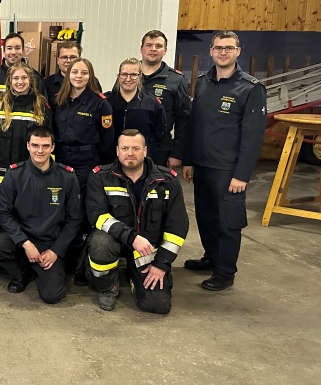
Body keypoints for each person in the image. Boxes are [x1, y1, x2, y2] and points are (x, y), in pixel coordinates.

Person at [182, 31, 267, 291]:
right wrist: (189, 160)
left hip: (228, 170)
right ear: (211, 51)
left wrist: (242, 175)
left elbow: (253, 136)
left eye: (229, 48)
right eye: (218, 48)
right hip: (203, 166)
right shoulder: (203, 82)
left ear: (238, 51)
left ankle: (225, 271)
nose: (223, 52)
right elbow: (194, 126)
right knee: (206, 217)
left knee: (228, 222)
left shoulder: (250, 88)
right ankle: (211, 258)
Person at [85, 129, 189, 313]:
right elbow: (98, 216)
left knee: (157, 305)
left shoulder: (167, 181)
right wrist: (132, 237)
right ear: (117, 151)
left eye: (135, 148)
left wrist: (161, 264)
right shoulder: (100, 176)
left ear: (145, 151)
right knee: (100, 243)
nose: (130, 153)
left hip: (148, 249)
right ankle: (108, 286)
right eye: (125, 148)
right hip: (116, 240)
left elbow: (177, 226)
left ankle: (136, 277)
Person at [0, 127, 82, 304]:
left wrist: (56, 250)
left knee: (52, 295)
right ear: (28, 146)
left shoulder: (67, 176)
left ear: (53, 147)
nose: (40, 151)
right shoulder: (14, 174)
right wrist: (25, 242)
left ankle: (42, 268)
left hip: (50, 242)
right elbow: (2, 212)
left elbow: (74, 219)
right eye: (35, 145)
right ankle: (22, 273)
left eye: (45, 146)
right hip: (22, 238)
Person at [53, 57, 115, 285]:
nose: (79, 76)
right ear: (68, 74)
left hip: (86, 163)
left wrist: (101, 169)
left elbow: (108, 141)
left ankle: (81, 264)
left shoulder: (100, 103)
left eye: (84, 72)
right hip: (60, 161)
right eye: (75, 72)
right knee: (60, 209)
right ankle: (64, 259)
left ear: (91, 76)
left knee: (80, 214)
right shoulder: (58, 100)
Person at [0, 62, 52, 193]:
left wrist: (49, 170)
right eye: (16, 78)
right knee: (3, 212)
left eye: (24, 78)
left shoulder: (42, 107)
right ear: (9, 81)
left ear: (31, 80)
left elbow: (49, 142)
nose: (20, 82)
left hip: (33, 173)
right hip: (2, 174)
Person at [140, 30, 192, 168]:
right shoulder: (129, 74)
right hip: (128, 148)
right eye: (149, 45)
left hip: (159, 149)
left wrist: (177, 153)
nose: (153, 49)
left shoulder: (176, 80)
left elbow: (184, 119)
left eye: (158, 46)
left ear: (165, 51)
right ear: (141, 49)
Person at [105, 57, 168, 159]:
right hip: (109, 161)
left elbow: (161, 137)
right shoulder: (106, 102)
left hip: (142, 163)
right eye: (124, 74)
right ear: (118, 76)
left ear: (140, 77)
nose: (128, 79)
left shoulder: (152, 104)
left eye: (133, 75)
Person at [0, 32, 45, 98]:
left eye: (17, 48)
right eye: (9, 48)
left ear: (23, 51)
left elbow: (43, 105)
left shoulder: (35, 77)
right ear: (4, 52)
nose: (13, 52)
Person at [42, 41, 100, 108]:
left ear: (79, 59)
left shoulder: (92, 81)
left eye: (73, 57)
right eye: (64, 57)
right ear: (58, 60)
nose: (68, 60)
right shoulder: (47, 83)